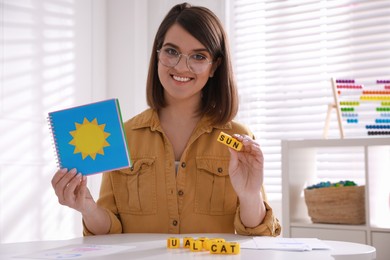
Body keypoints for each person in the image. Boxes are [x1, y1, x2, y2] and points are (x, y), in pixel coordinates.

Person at [51, 2, 281, 236]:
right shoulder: (123, 136)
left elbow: (259, 239)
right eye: (172, 51)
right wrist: (87, 207)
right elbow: (110, 233)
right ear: (158, 53)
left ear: (215, 67)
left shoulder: (237, 140)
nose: (182, 66)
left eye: (199, 56)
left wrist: (250, 195)